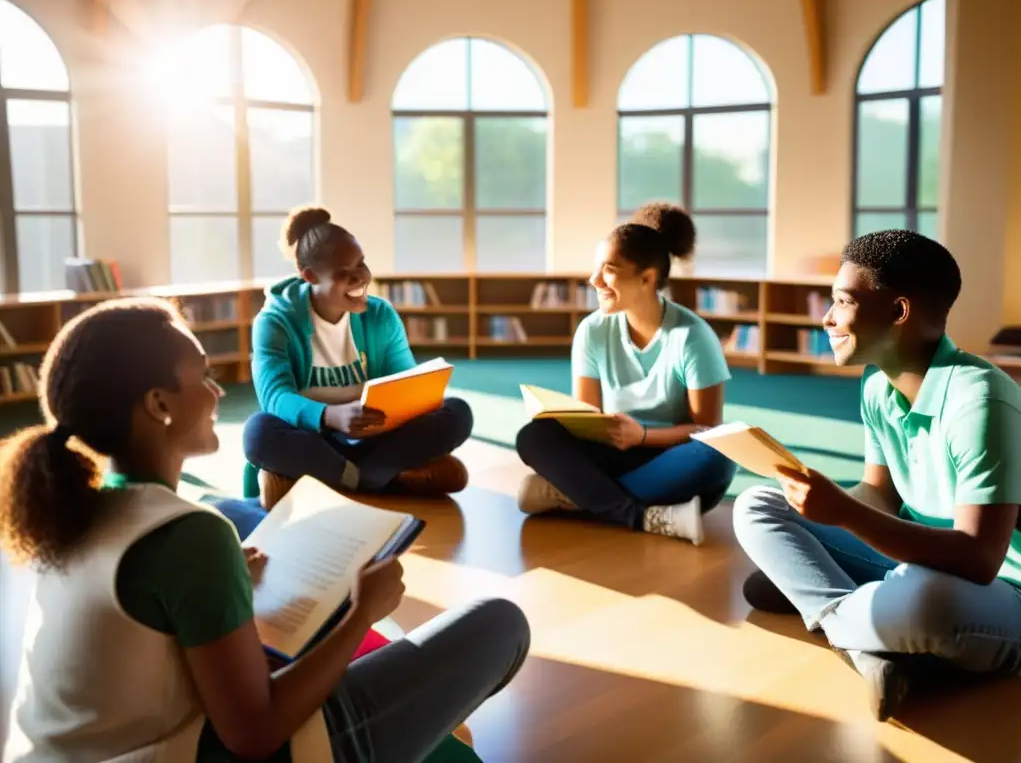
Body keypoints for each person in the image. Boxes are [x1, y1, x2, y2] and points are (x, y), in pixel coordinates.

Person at [0, 297, 530, 762]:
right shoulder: (188, 536)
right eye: (203, 377)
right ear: (159, 405)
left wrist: (226, 578)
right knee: (500, 624)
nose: (215, 393)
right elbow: (254, 735)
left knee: (238, 516)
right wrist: (362, 614)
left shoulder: (73, 512)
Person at [733, 230, 1021, 721]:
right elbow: (879, 495)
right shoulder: (878, 385)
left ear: (898, 313)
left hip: (1002, 589)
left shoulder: (981, 401)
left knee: (922, 598)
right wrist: (816, 504)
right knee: (757, 505)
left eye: (842, 302)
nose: (826, 318)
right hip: (910, 559)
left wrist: (839, 517)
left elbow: (979, 559)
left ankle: (838, 617)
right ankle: (868, 644)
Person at [515, 203, 736, 544]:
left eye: (609, 270)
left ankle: (573, 496)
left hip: (669, 457)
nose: (594, 281)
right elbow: (586, 418)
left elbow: (707, 429)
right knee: (534, 436)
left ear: (646, 278)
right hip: (612, 450)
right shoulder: (592, 330)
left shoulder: (693, 337)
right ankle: (642, 516)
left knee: (719, 456)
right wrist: (587, 424)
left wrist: (643, 435)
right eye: (596, 269)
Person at [243, 206, 473, 508]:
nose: (360, 278)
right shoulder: (274, 322)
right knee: (258, 432)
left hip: (378, 437)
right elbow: (275, 397)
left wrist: (398, 411)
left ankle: (351, 479)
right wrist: (331, 416)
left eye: (361, 264)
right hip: (315, 439)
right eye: (343, 273)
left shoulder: (381, 315)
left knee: (457, 412)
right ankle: (378, 477)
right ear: (309, 275)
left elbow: (406, 383)